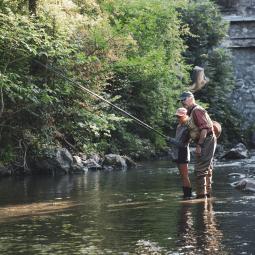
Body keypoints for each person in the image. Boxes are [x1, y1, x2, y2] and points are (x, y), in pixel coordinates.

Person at [179, 91, 217, 199]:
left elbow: (204, 129)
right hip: (206, 140)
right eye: (181, 100)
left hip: (206, 140)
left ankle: (201, 197)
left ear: (191, 98)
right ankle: (207, 195)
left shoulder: (197, 110)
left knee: (200, 170)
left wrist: (199, 145)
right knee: (207, 168)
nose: (182, 102)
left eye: (184, 99)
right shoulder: (191, 111)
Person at [168, 107, 192, 200]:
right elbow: (177, 140)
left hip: (183, 152)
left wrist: (170, 140)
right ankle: (186, 195)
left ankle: (188, 196)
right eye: (177, 116)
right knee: (182, 175)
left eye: (180, 116)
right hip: (177, 152)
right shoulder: (179, 126)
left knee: (185, 175)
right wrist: (172, 140)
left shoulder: (187, 128)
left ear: (185, 116)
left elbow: (182, 144)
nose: (178, 118)